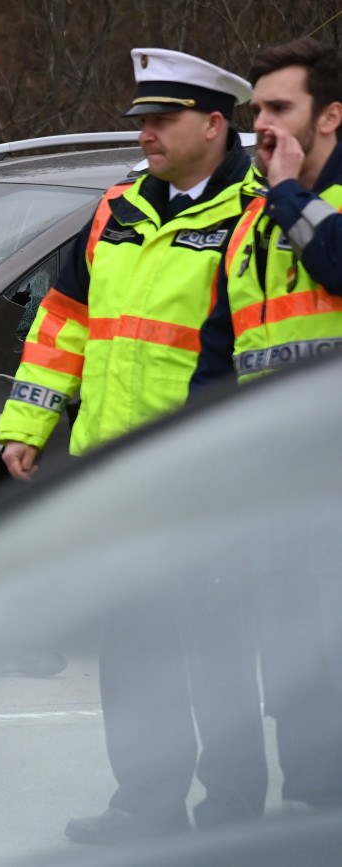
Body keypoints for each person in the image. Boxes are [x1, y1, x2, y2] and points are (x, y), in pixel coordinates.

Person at [0, 48, 268, 843]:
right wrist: (27, 423)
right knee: (134, 648)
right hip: (111, 473)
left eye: (162, 119)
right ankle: (145, 804)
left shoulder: (256, 212)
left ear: (215, 124)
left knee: (215, 652)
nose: (145, 133)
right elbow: (63, 322)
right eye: (141, 120)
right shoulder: (117, 208)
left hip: (205, 477)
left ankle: (232, 815)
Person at [190, 37, 342, 811]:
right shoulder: (250, 226)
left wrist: (288, 196)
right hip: (274, 490)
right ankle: (314, 814)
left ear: (331, 117)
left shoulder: (291, 206)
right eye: (257, 112)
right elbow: (222, 356)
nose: (263, 128)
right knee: (294, 666)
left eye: (280, 109)